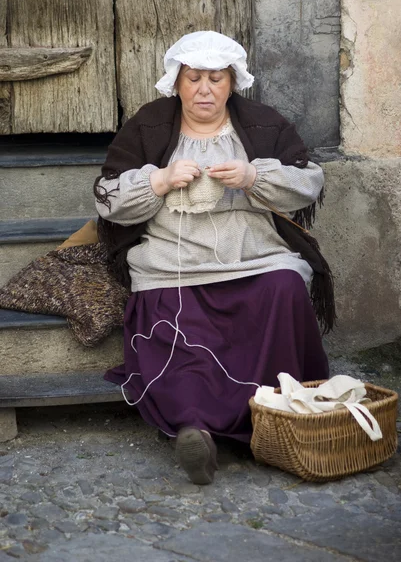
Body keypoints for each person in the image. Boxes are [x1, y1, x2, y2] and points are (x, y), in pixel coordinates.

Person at [94, 31, 335, 485]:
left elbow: (309, 182)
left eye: (216, 78)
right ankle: (195, 429)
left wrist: (252, 175)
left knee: (283, 286)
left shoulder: (263, 124)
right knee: (169, 315)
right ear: (177, 83)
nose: (205, 89)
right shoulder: (148, 126)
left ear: (233, 83)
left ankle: (274, 417)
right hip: (173, 261)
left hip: (254, 257)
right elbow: (107, 198)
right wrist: (160, 181)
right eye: (194, 78)